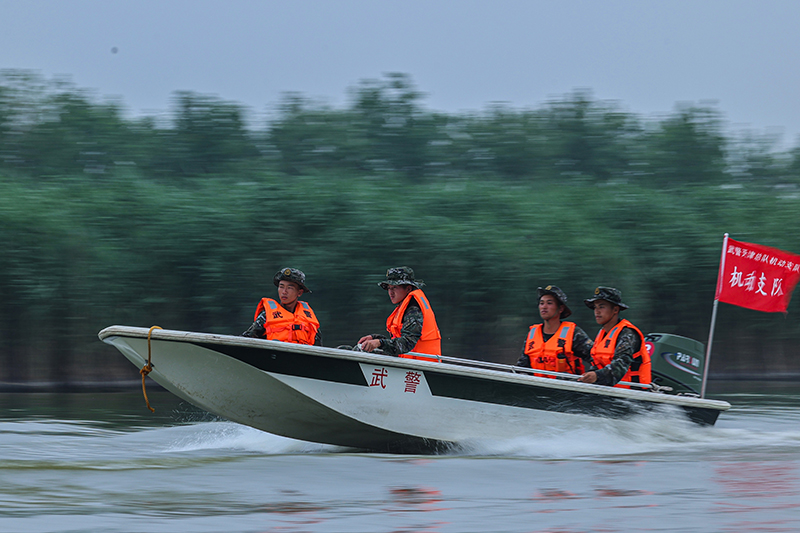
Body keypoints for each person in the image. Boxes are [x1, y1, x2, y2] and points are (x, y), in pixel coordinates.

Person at [357, 266, 442, 361]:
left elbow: (406, 344)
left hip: (420, 369)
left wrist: (380, 342)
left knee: (359, 352)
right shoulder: (405, 307)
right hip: (409, 364)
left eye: (395, 287)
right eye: (389, 288)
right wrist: (375, 338)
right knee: (352, 350)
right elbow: (398, 341)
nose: (390, 292)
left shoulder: (414, 310)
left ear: (408, 289)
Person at [577, 286, 651, 388]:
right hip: (610, 393)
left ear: (615, 309)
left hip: (633, 396)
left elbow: (620, 365)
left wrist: (596, 376)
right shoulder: (602, 333)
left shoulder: (628, 334)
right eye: (595, 307)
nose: (597, 311)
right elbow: (597, 364)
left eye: (601, 307)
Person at [515, 285, 593, 378]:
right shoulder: (532, 334)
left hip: (566, 389)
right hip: (537, 388)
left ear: (560, 309)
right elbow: (522, 367)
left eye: (549, 303)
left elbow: (595, 359)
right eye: (541, 303)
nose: (544, 307)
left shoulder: (573, 333)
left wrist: (589, 377)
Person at [242, 267, 321, 345]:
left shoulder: (309, 319)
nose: (284, 292)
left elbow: (319, 349)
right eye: (281, 287)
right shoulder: (266, 316)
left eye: (289, 288)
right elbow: (246, 340)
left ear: (299, 293)